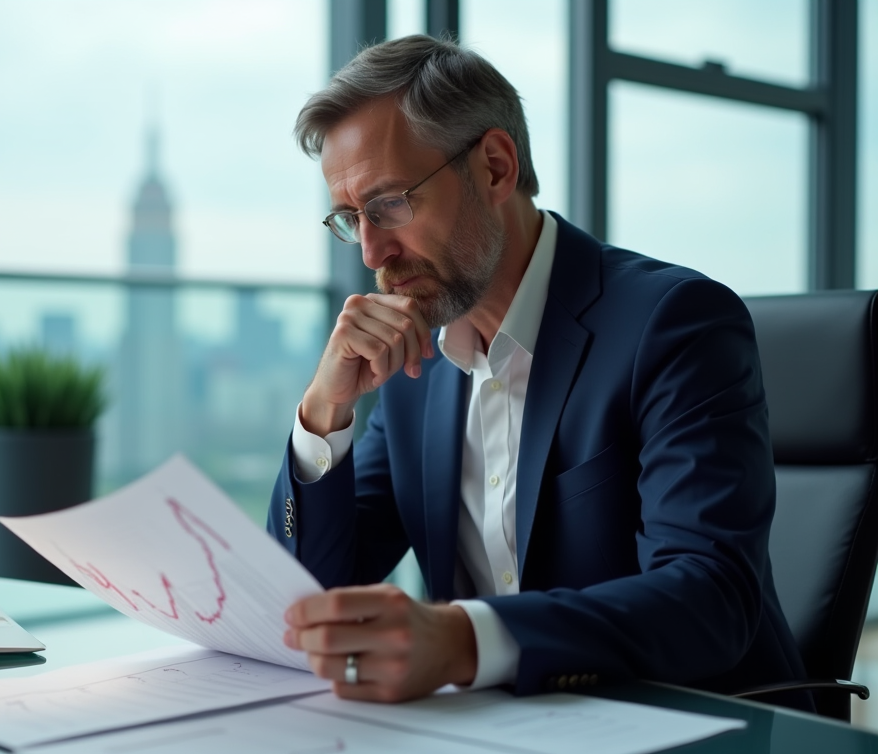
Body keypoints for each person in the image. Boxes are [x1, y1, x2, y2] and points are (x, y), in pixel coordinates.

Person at [267, 35, 810, 709]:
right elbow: (301, 604)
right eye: (351, 220)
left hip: (681, 741)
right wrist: (325, 413)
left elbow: (709, 597)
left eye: (391, 205)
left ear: (495, 167)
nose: (373, 251)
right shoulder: (419, 368)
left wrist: (463, 640)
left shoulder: (676, 324)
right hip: (498, 746)